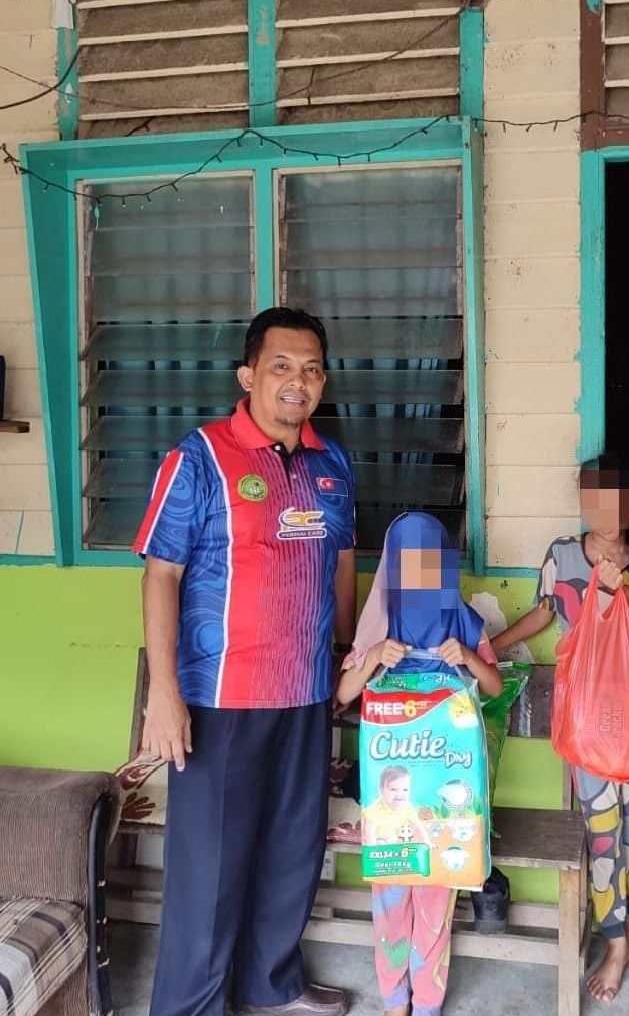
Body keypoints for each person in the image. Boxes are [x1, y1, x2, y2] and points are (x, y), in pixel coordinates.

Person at [135, 306, 356, 1016]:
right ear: (248, 375)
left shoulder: (331, 463)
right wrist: (164, 694)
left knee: (293, 852)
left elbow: (342, 560)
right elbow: (161, 575)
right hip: (219, 698)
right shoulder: (199, 457)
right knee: (210, 870)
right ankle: (190, 1006)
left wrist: (344, 655)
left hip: (306, 692)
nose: (298, 381)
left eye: (311, 369)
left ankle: (271, 984)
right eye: (281, 366)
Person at [491, 454, 629, 1003]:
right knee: (602, 828)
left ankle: (627, 916)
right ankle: (616, 939)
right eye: (595, 497)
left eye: (617, 498)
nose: (606, 510)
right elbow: (544, 613)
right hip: (586, 720)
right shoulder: (562, 554)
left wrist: (620, 587)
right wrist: (491, 648)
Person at [336, 512, 503, 1016]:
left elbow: (494, 687)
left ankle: (426, 1003)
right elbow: (341, 695)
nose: (422, 575)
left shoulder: (464, 621)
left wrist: (467, 657)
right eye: (410, 564)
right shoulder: (378, 623)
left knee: (435, 902)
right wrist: (372, 658)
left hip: (444, 801)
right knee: (390, 902)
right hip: (389, 801)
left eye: (432, 563)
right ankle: (394, 1002)